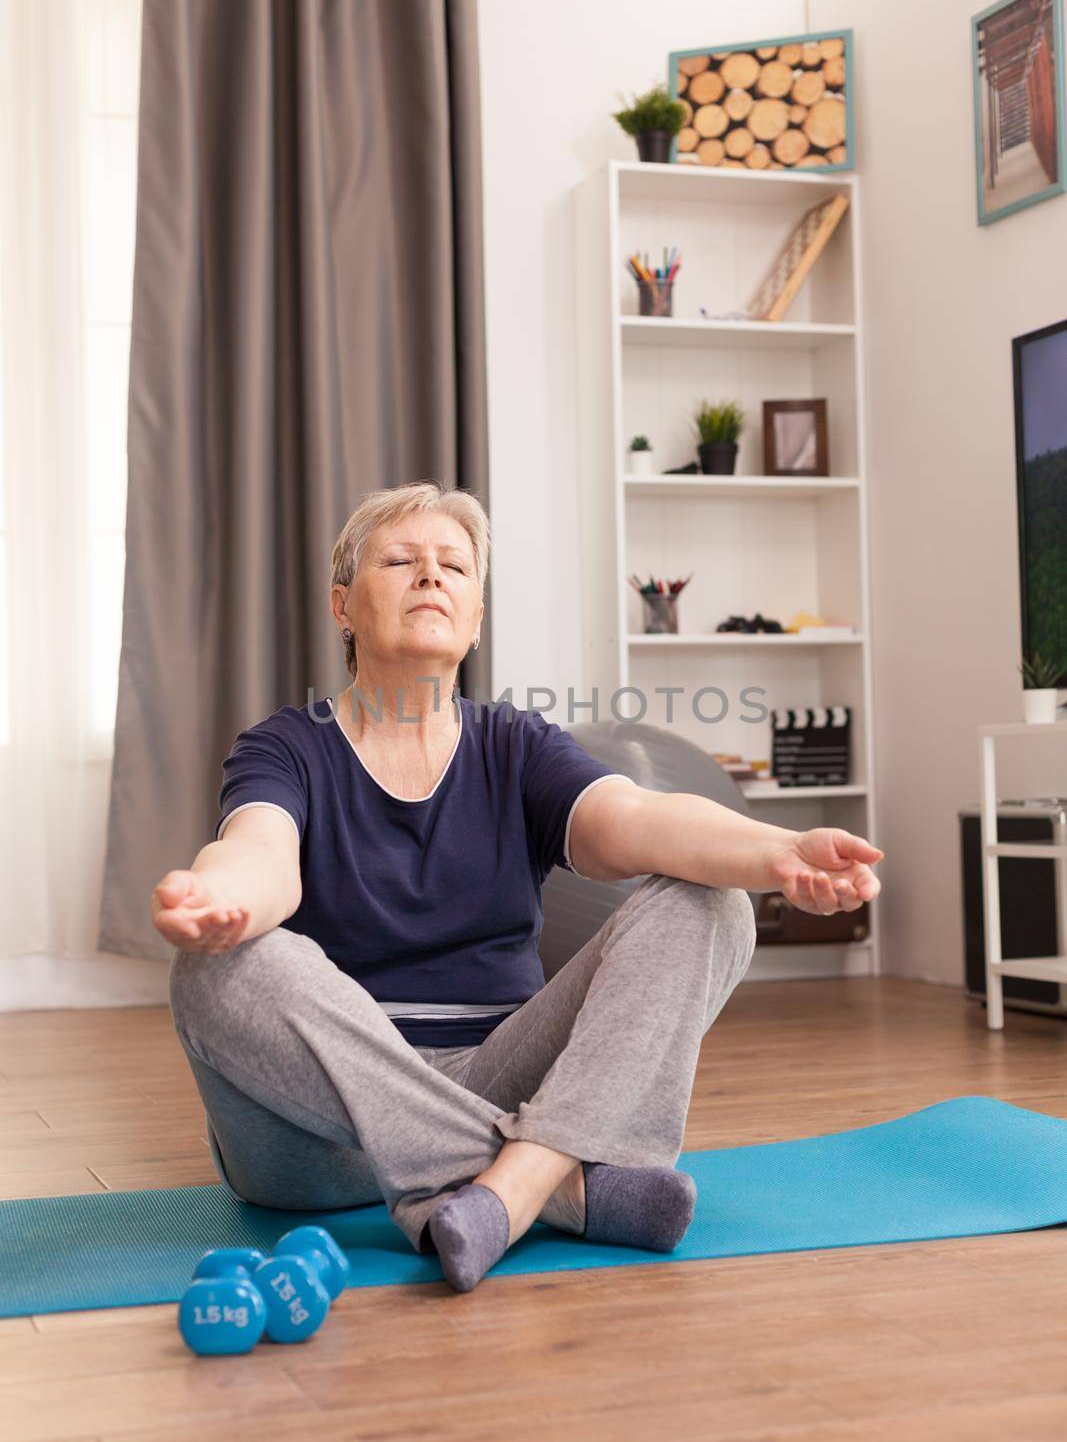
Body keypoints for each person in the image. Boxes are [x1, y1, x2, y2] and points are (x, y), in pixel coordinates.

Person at [154, 480, 884, 1292]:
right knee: (217, 967)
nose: (430, 575)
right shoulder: (289, 745)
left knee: (709, 897)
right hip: (323, 1131)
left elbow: (634, 818)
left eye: (454, 568)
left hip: (504, 1068)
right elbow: (259, 851)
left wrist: (780, 847)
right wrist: (219, 899)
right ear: (343, 607)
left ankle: (513, 1186)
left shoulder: (515, 744)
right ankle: (564, 1186)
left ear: (473, 617)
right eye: (399, 560)